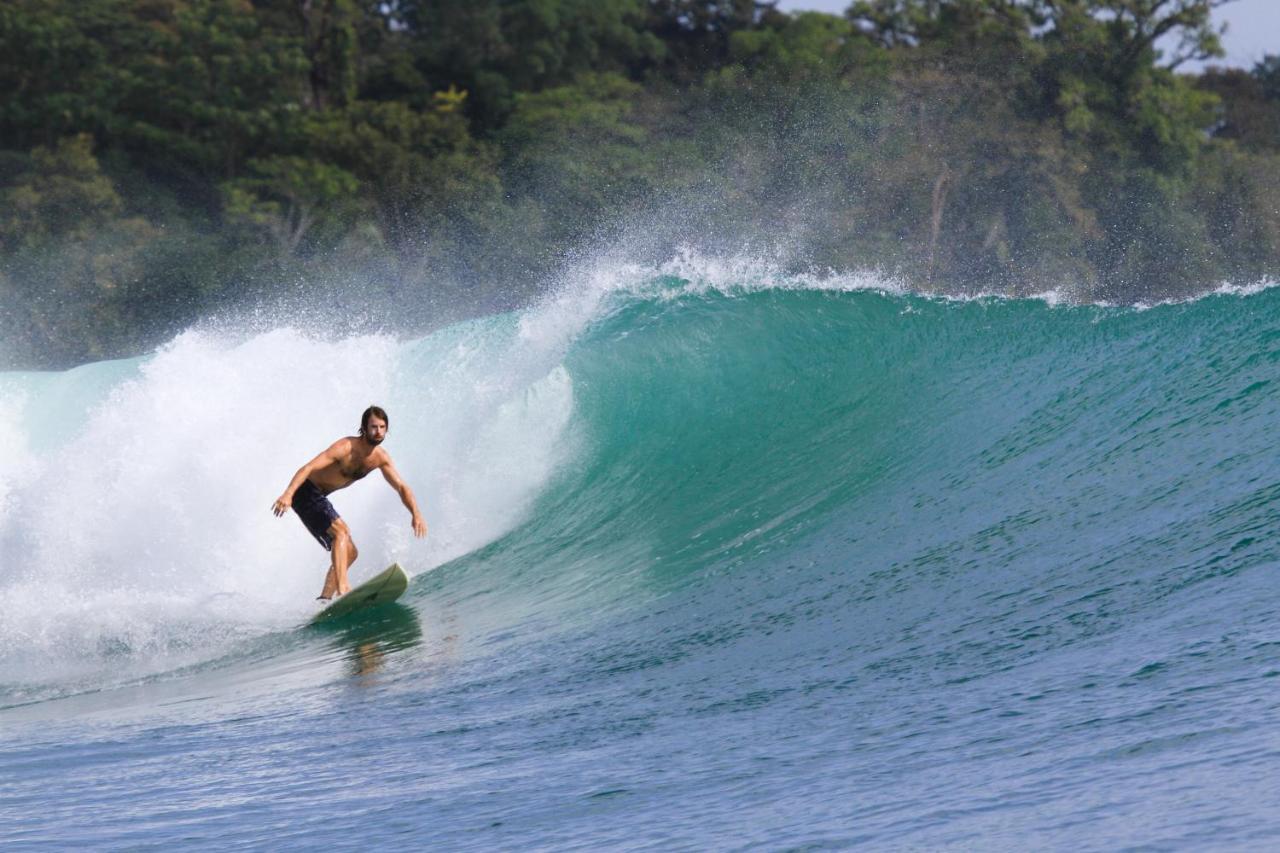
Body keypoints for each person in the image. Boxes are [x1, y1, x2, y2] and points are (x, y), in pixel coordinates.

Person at [272, 405, 427, 600]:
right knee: (341, 532)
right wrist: (288, 493)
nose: (377, 431)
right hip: (305, 491)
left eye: (381, 427)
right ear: (363, 428)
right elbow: (308, 467)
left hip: (319, 497)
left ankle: (325, 599)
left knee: (350, 552)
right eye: (373, 427)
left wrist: (416, 513)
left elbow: (402, 487)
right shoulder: (345, 447)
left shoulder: (380, 458)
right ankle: (343, 588)